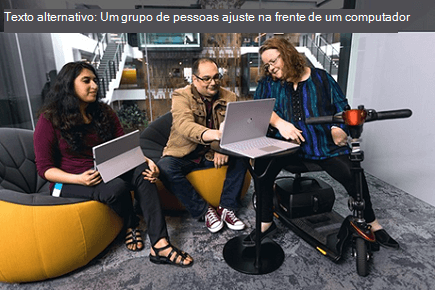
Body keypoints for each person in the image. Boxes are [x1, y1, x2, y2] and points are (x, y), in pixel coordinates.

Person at [242, 37, 399, 249]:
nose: (270, 68)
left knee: (354, 173)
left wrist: (338, 128)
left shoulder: (322, 78)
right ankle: (265, 223)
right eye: (266, 65)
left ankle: (372, 223)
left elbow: (342, 107)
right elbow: (259, 109)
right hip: (285, 145)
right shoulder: (269, 84)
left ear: (287, 54)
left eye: (273, 61)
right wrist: (280, 123)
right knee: (261, 167)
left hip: (322, 146)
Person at [34, 61, 193, 267]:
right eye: (86, 81)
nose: (94, 86)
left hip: (105, 170)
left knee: (142, 172)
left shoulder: (102, 112)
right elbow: (44, 168)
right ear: (68, 85)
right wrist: (79, 179)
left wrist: (148, 161)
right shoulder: (49, 119)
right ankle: (131, 224)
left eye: (95, 80)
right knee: (117, 188)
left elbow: (126, 147)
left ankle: (160, 244)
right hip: (68, 180)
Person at [157, 58, 247, 233]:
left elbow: (234, 126)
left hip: (212, 154)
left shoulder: (230, 97)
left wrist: (221, 147)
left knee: (243, 155)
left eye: (216, 77)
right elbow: (184, 125)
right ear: (194, 79)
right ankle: (204, 211)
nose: (213, 83)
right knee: (165, 168)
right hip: (185, 153)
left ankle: (227, 207)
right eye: (206, 78)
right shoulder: (180, 95)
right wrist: (217, 138)